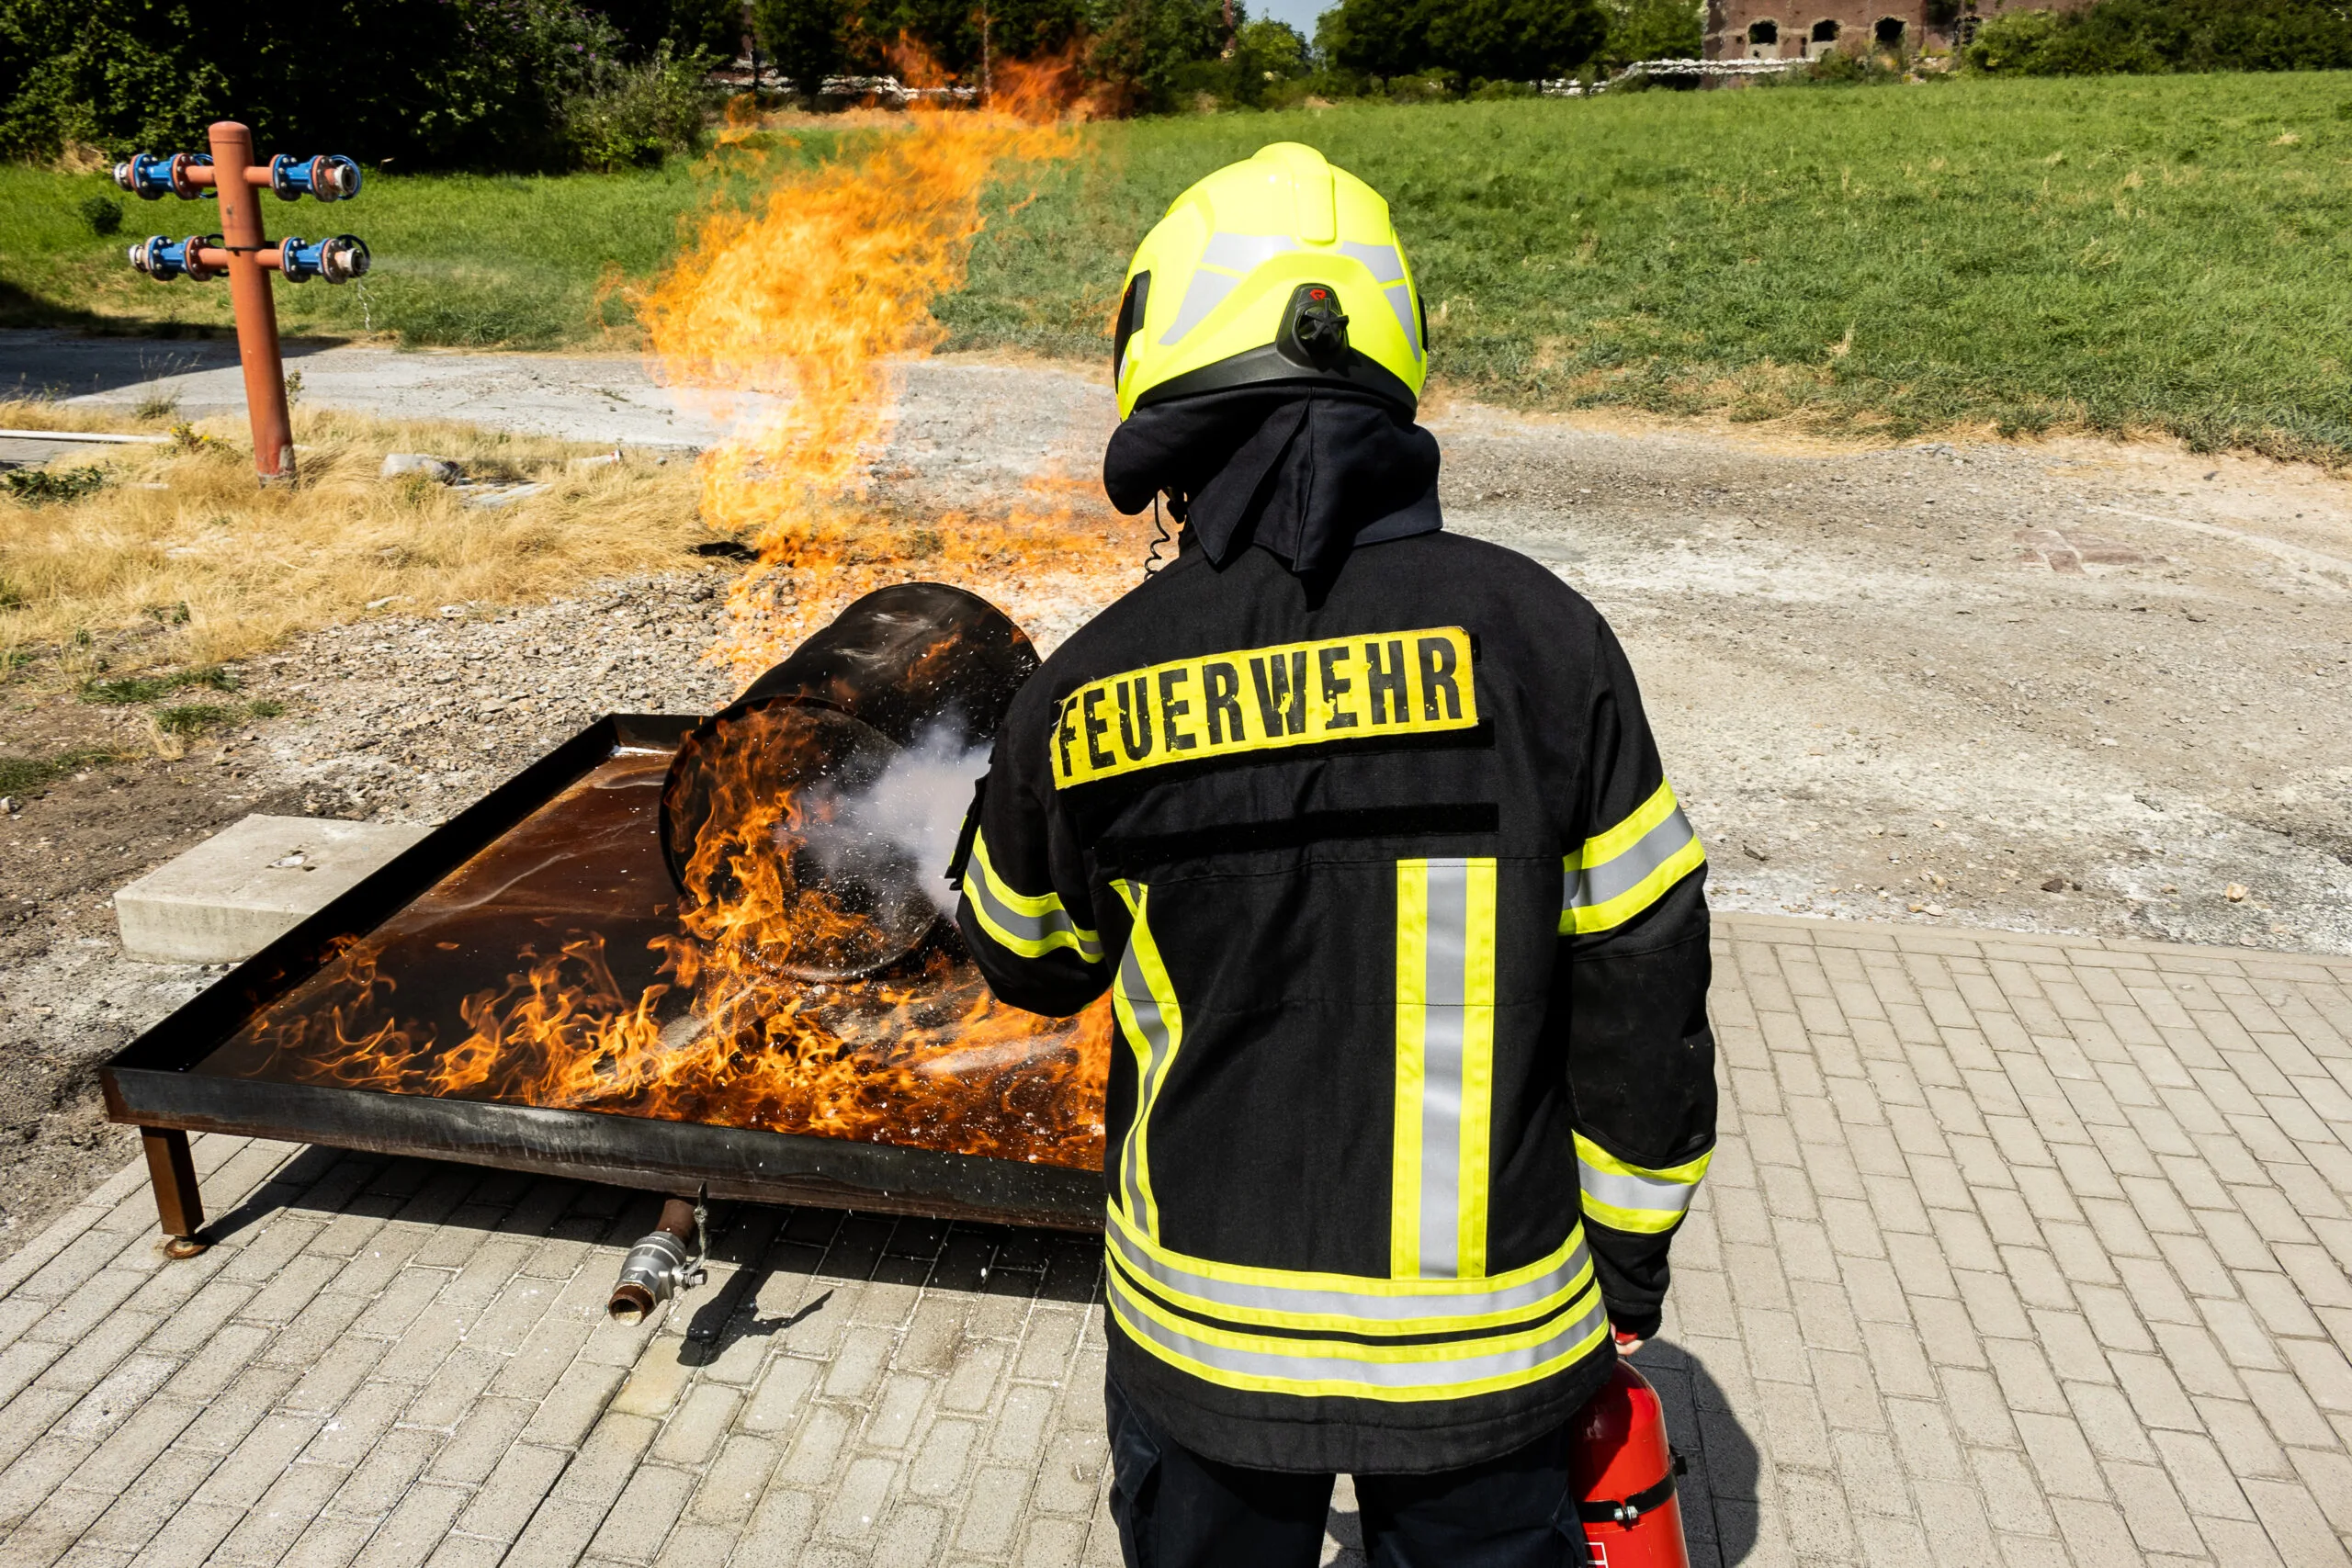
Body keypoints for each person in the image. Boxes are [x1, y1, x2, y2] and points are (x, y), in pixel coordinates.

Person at [950, 142, 1715, 1568]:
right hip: (1494, 1350)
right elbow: (1647, 982)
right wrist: (1628, 1263)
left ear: (1168, 389)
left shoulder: (1091, 685)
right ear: (1386, 359)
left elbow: (1026, 954)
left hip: (1205, 1343)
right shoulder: (1549, 644)